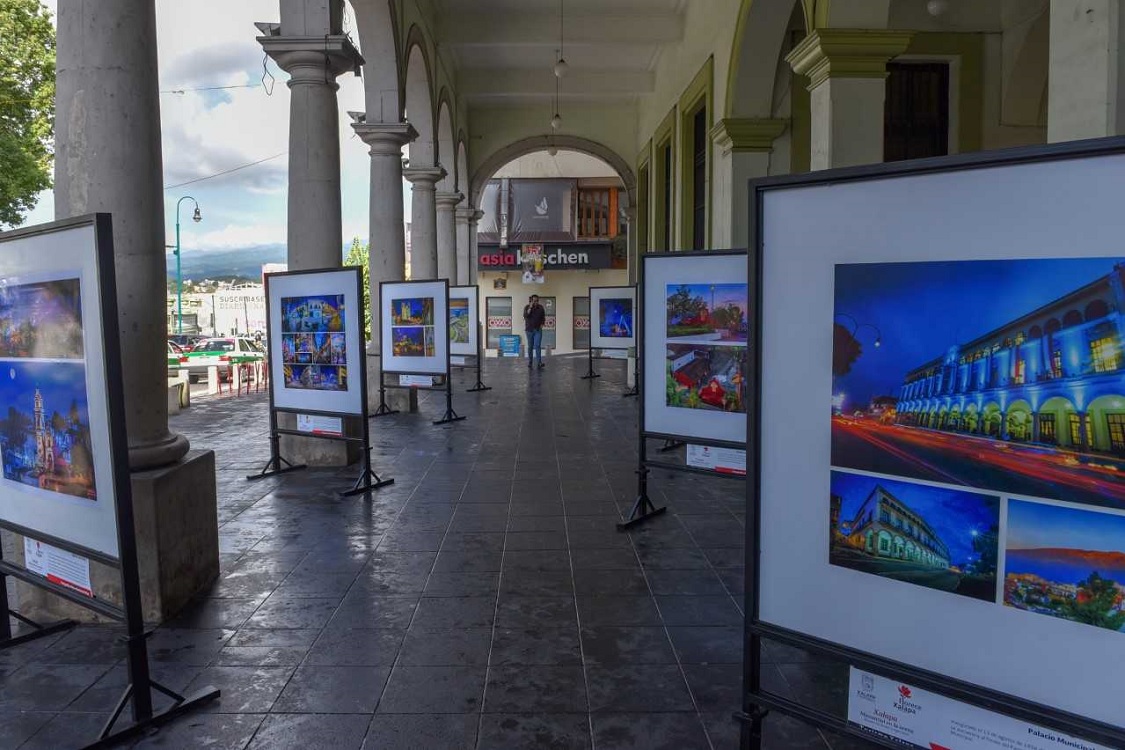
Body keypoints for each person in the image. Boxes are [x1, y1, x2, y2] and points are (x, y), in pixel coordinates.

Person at [523, 294, 546, 368]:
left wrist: (542, 324)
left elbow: (543, 317)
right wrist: (530, 307)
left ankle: (539, 362)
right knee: (530, 346)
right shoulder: (527, 307)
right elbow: (525, 315)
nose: (535, 302)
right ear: (531, 301)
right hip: (529, 330)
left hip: (538, 330)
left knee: (537, 345)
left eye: (537, 301)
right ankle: (530, 362)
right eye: (534, 301)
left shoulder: (541, 307)